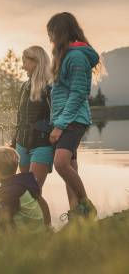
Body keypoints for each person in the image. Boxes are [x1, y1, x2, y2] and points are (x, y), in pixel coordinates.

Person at [47, 12, 99, 221]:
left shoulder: (76, 57)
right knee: (70, 166)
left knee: (61, 164)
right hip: (65, 119)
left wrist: (59, 125)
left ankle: (86, 205)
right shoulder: (64, 56)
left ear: (60, 32)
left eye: (51, 33)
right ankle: (76, 213)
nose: (49, 38)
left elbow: (78, 93)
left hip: (73, 120)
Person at [11, 46, 53, 226]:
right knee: (25, 192)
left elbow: (57, 116)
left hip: (42, 144)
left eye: (25, 62)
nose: (23, 67)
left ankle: (47, 228)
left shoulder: (50, 87)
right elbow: (20, 117)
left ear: (36, 62)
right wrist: (14, 142)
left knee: (33, 192)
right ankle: (32, 231)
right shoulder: (25, 85)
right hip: (22, 144)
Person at [0, 147, 46, 245]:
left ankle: (7, 253)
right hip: (36, 234)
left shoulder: (9, 192)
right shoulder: (23, 183)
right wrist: (48, 227)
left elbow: (3, 220)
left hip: (27, 241)